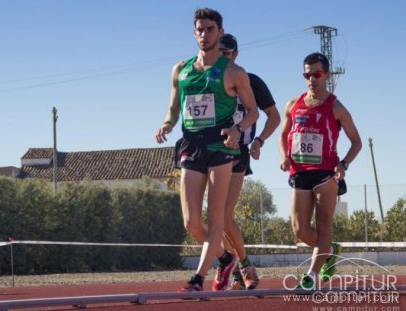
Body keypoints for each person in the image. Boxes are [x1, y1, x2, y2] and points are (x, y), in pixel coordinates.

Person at [155, 8, 259, 292]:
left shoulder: (234, 72)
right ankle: (225, 259)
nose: (204, 34)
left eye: (210, 29)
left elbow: (253, 113)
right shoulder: (181, 69)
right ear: (194, 32)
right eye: (200, 29)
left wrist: (238, 130)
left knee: (216, 219)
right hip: (191, 144)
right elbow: (174, 107)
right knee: (191, 222)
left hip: (222, 146)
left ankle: (197, 279)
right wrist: (166, 124)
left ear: (220, 32)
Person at [279, 52, 362, 289]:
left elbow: (356, 142)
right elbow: (283, 136)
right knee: (300, 229)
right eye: (307, 74)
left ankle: (312, 276)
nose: (311, 79)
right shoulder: (293, 105)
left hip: (326, 173)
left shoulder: (336, 107)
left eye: (316, 74)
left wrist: (343, 164)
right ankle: (330, 250)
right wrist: (284, 156)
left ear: (326, 74)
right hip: (299, 172)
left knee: (324, 224)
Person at [217, 34, 281, 290]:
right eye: (218, 53)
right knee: (215, 218)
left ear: (236, 54)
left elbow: (273, 117)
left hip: (238, 153)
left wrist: (259, 141)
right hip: (211, 153)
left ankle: (244, 266)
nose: (223, 58)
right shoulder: (206, 80)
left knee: (224, 214)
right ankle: (236, 269)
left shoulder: (251, 81)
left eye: (227, 54)